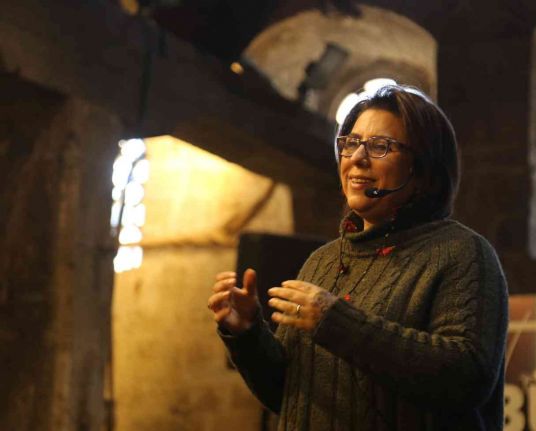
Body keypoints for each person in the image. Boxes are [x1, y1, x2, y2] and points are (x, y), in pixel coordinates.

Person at [207, 85, 508, 430]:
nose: (357, 158)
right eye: (351, 143)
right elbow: (291, 396)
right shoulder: (321, 262)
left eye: (380, 146)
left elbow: (467, 378)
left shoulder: (461, 252)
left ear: (424, 171)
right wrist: (247, 335)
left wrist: (337, 322)